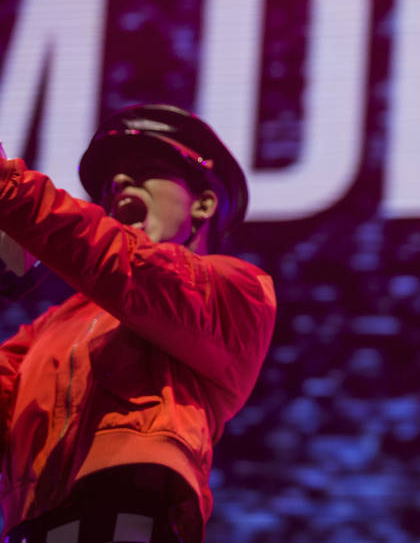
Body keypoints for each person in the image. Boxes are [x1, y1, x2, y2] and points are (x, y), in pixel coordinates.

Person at [0, 104, 277, 543]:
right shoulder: (47, 328)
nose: (120, 185)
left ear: (203, 203)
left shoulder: (238, 291)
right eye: (111, 185)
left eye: (146, 170)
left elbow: (121, 261)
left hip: (132, 523)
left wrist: (8, 190)